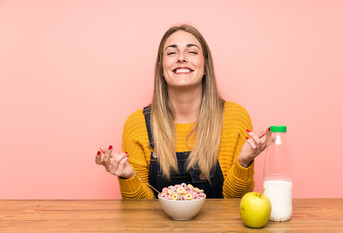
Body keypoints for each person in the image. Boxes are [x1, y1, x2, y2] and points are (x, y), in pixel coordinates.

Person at [95, 24, 271, 199]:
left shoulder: (235, 118)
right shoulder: (136, 124)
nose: (181, 58)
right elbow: (141, 212)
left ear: (205, 64)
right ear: (161, 67)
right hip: (156, 228)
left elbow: (235, 203)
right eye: (171, 53)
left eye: (192, 52)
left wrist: (244, 162)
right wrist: (127, 176)